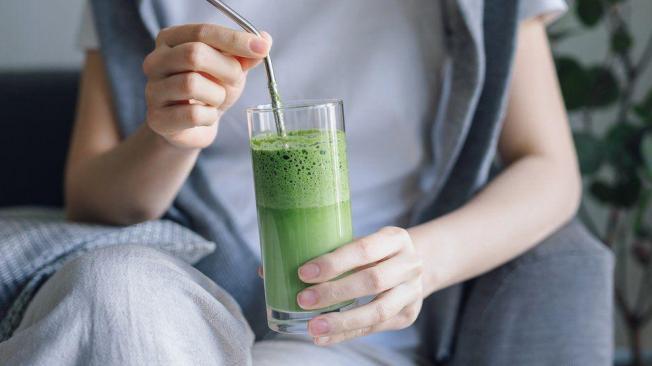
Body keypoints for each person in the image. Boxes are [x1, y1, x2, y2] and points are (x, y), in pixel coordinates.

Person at [0, 0, 614, 365]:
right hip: (183, 310)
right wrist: (169, 135)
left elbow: (549, 167)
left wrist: (418, 262)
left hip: (358, 333)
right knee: (115, 285)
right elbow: (91, 197)